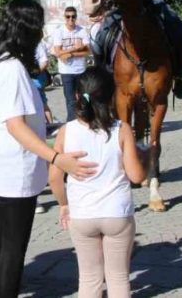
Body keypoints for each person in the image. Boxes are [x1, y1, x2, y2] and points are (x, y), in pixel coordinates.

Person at [0, 0, 98, 298]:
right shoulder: (12, 68)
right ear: (27, 30)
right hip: (12, 169)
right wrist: (57, 158)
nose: (41, 33)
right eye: (38, 27)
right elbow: (16, 126)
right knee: (13, 247)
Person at [48, 69, 147, 298]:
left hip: (82, 213)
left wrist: (63, 204)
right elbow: (136, 176)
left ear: (76, 97)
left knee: (89, 279)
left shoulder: (66, 131)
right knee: (119, 278)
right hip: (116, 212)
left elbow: (54, 177)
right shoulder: (121, 129)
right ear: (112, 96)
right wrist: (147, 157)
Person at [50, 7, 90, 121]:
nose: (71, 19)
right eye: (68, 16)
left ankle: (85, 119)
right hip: (66, 71)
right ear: (64, 17)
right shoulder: (59, 31)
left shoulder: (82, 31)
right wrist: (76, 48)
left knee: (84, 97)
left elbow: (88, 51)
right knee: (70, 99)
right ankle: (72, 122)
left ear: (76, 17)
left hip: (81, 70)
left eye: (73, 16)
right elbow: (58, 52)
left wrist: (70, 54)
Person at [32, 38, 55, 125]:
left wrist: (34, 73)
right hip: (33, 78)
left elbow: (45, 62)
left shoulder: (38, 45)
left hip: (37, 79)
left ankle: (50, 125)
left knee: (42, 103)